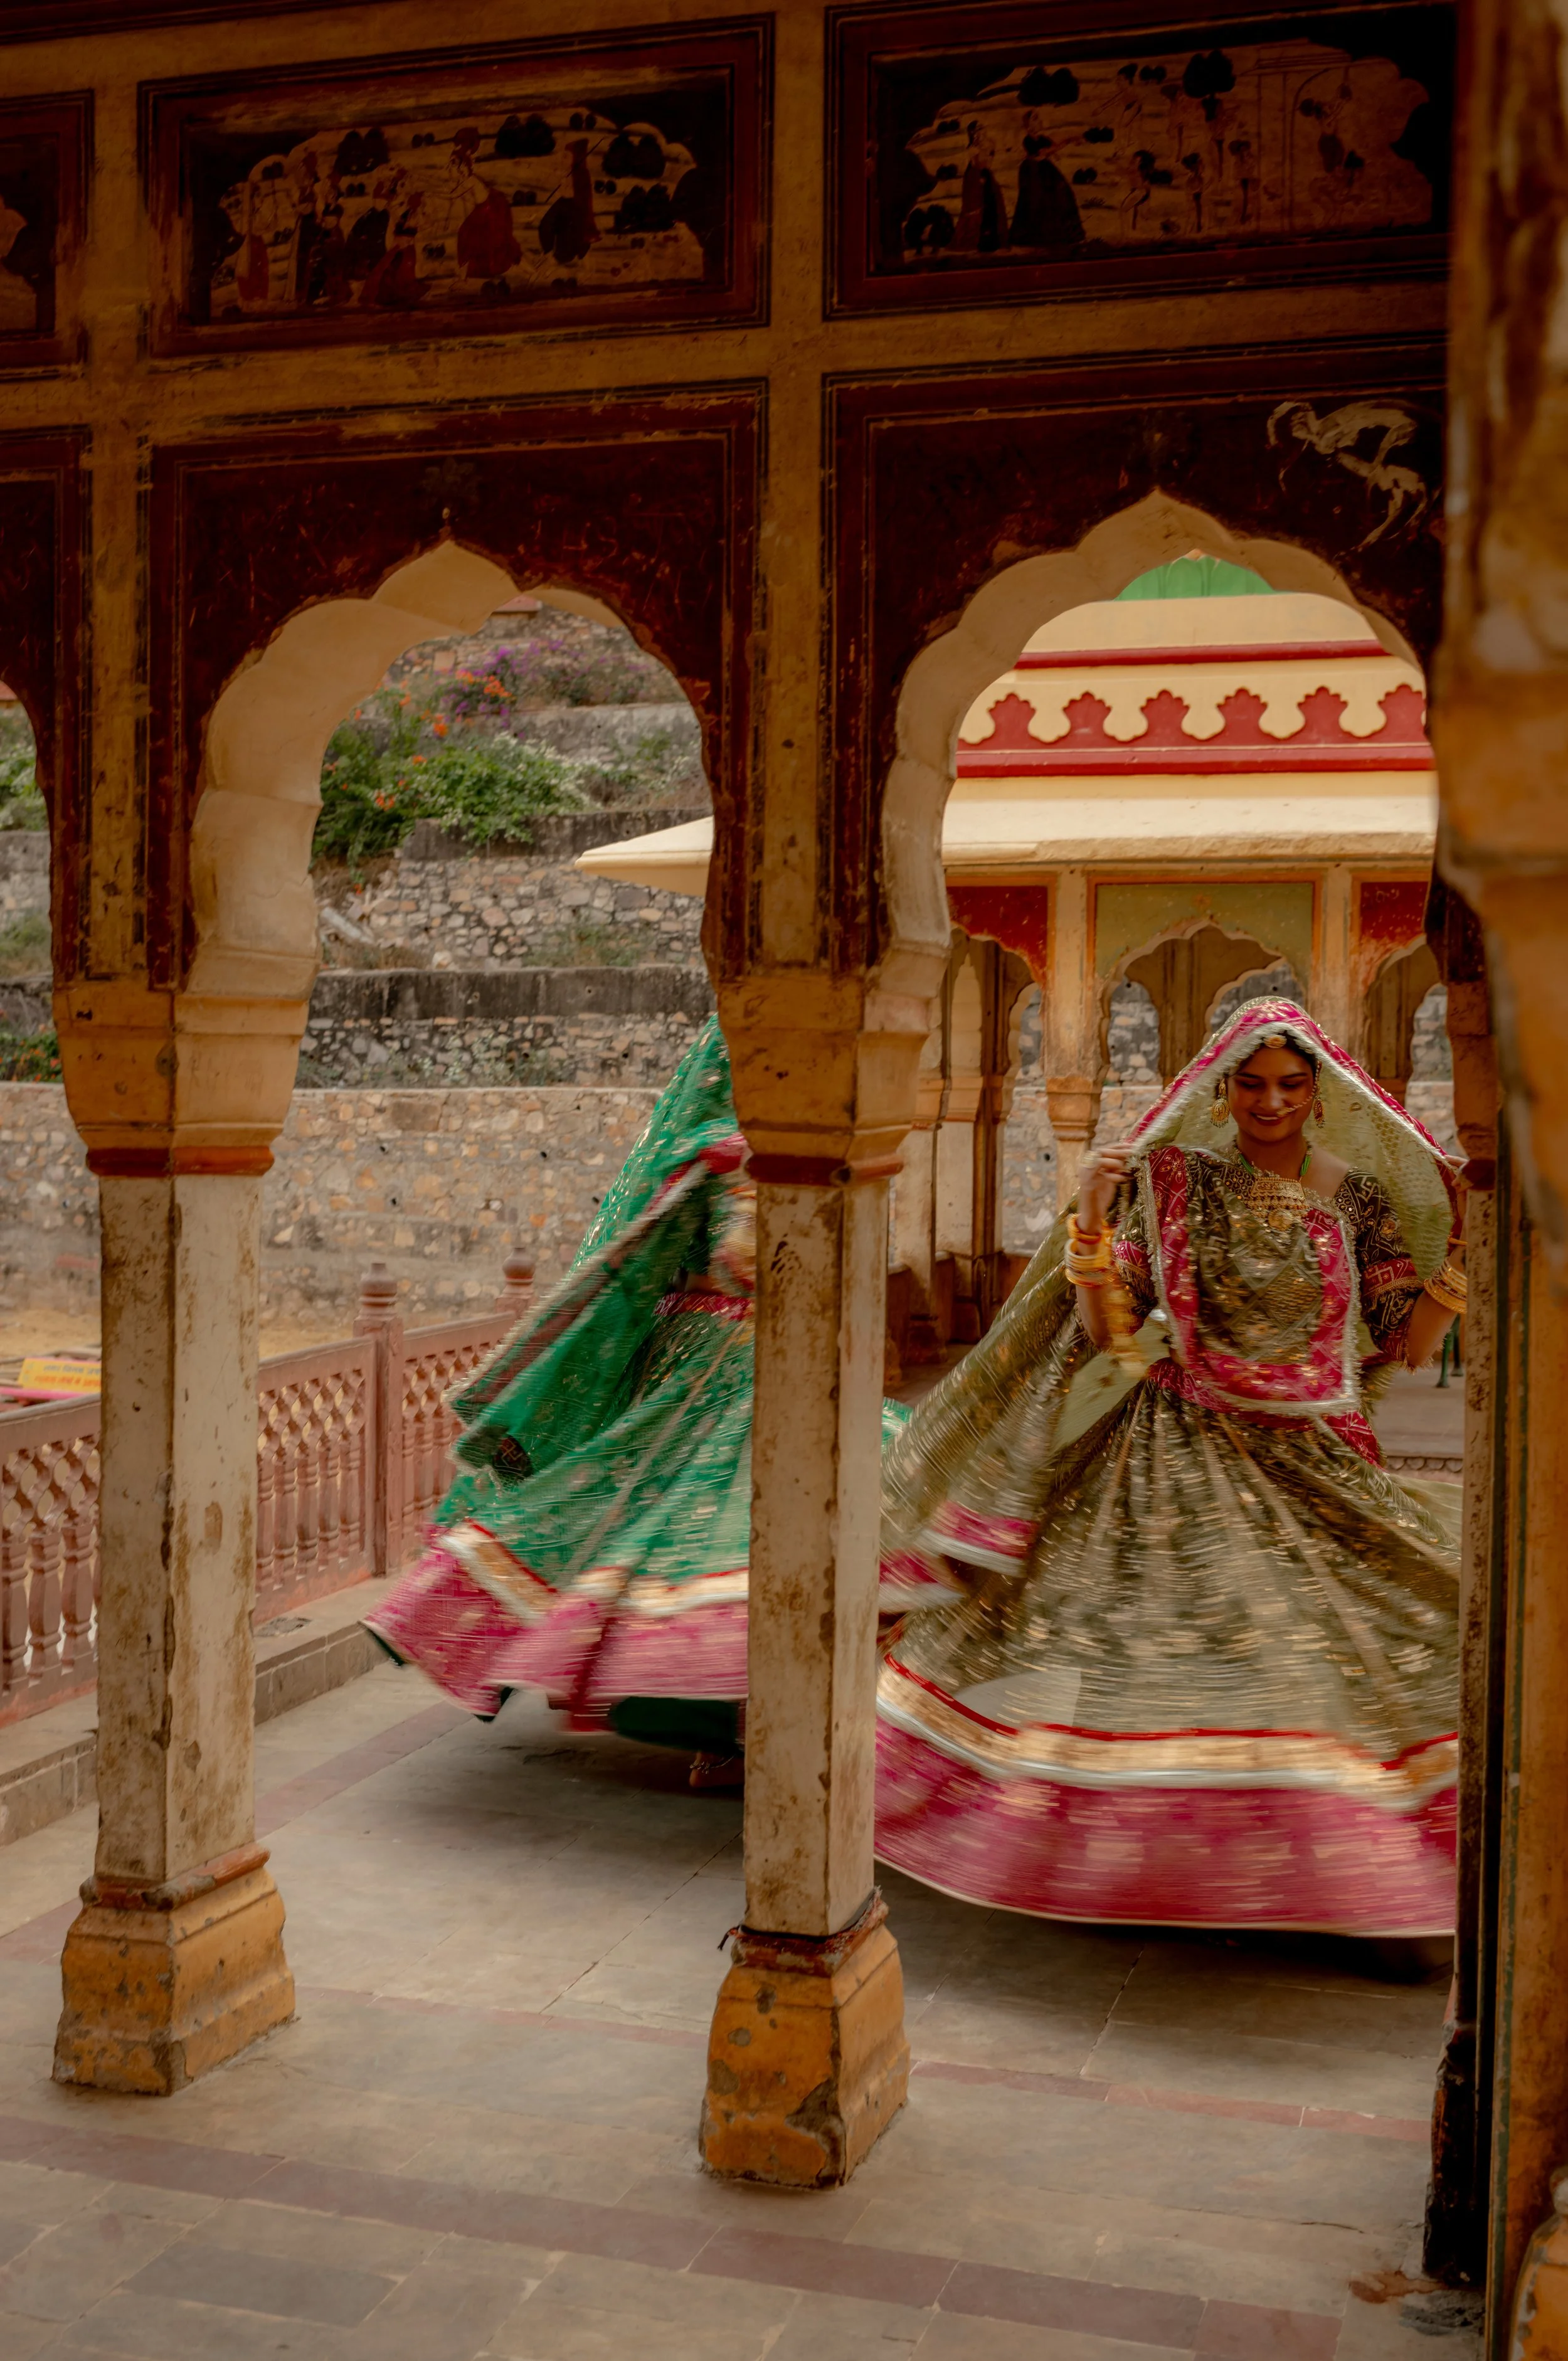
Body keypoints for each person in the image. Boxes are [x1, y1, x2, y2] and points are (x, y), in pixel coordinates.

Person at [876, 996, 1463, 1936]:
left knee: (1356, 1646)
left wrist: (1464, 1256)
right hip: (1177, 1449)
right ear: (1222, 1090)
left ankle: (1343, 1866)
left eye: (1289, 1085)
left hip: (1319, 1457)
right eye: (1252, 1085)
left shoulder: (1358, 1196)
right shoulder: (1178, 1184)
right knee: (1170, 1650)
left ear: (1319, 1093)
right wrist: (1097, 1218)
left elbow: (1405, 1346)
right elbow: (1117, 1340)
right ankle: (1145, 1861)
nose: (1270, 1103)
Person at [366, 1017, 914, 1785]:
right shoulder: (717, 1159)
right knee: (708, 1542)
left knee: (856, 1523)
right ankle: (732, 1729)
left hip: (792, 1365)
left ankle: (778, 1725)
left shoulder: (810, 1150)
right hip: (709, 1377)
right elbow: (687, 1268)